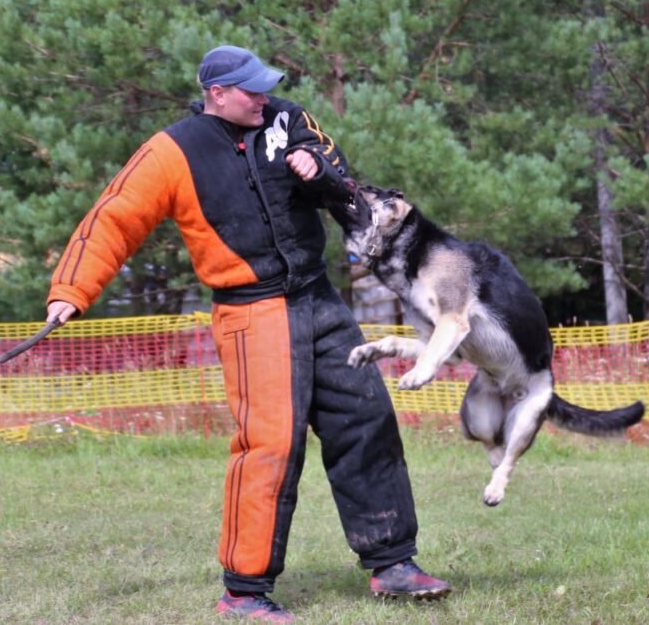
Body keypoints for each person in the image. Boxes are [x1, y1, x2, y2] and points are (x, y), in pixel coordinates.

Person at [46, 45, 451, 622]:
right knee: (270, 447)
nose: (263, 97)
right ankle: (244, 592)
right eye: (251, 90)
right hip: (250, 313)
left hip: (320, 299)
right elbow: (114, 217)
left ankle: (393, 565)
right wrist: (70, 291)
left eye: (265, 87)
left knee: (366, 417)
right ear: (217, 94)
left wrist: (317, 166)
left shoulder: (287, 118)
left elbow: (338, 172)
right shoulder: (171, 151)